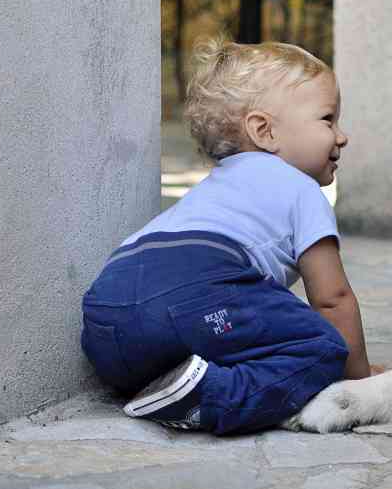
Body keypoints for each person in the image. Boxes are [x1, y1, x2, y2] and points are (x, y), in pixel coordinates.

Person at [80, 38, 371, 434]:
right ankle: (211, 397)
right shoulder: (301, 188)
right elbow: (333, 299)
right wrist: (359, 380)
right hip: (195, 288)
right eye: (328, 119)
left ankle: (172, 384)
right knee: (323, 348)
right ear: (264, 131)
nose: (342, 136)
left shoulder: (213, 187)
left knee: (238, 325)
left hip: (106, 314)